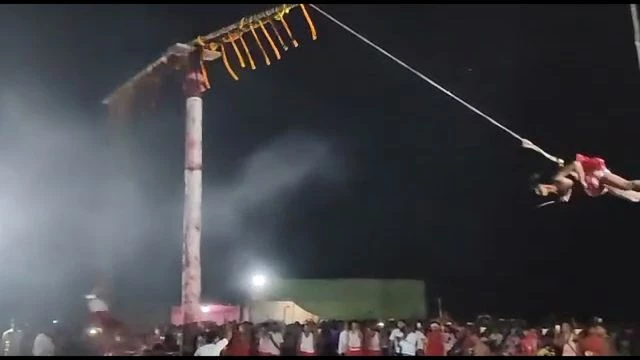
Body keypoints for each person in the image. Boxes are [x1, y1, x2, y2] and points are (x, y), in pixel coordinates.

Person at [533, 153, 640, 202]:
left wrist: (582, 179)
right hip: (595, 187)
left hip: (594, 175)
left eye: (537, 189)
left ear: (541, 184)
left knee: (627, 185)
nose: (539, 192)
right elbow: (572, 189)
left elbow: (576, 164)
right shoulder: (558, 195)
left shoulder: (556, 178)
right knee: (634, 197)